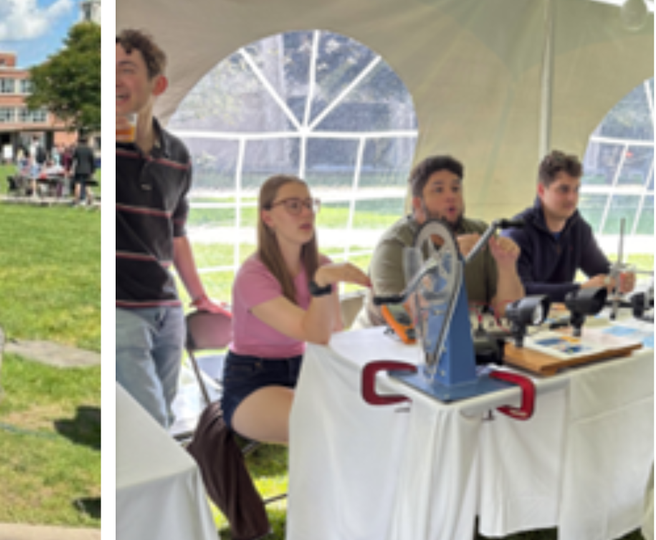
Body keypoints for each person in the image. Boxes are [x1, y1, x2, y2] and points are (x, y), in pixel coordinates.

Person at [116, 29, 225, 428]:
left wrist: (199, 297)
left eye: (126, 69)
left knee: (162, 418)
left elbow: (175, 232)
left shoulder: (177, 155)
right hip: (120, 310)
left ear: (156, 84)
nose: (113, 79)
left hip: (165, 307)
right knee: (150, 423)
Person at [223, 175, 370, 443]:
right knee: (324, 426)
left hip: (308, 367)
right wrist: (322, 283)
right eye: (293, 205)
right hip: (254, 379)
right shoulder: (253, 276)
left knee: (368, 415)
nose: (306, 213)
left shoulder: (322, 265)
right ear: (268, 218)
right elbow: (313, 333)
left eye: (309, 204)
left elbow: (334, 334)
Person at [353, 155, 524, 329]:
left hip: (461, 341)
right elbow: (401, 317)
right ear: (418, 204)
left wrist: (507, 266)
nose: (451, 196)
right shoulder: (394, 245)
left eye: (456, 188)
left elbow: (507, 311)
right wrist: (445, 261)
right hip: (386, 347)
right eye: (439, 190)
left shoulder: (480, 233)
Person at [503, 150, 635, 302]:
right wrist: (578, 290)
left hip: (562, 321)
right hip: (525, 322)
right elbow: (520, 290)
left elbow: (602, 272)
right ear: (541, 190)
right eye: (563, 189)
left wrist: (620, 280)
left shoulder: (578, 229)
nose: (572, 198)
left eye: (576, 189)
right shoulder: (517, 232)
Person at [71, 137, 96, 207]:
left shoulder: (77, 149)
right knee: (87, 186)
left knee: (77, 186)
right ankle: (91, 201)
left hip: (78, 170)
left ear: (79, 142)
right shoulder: (90, 150)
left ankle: (76, 202)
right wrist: (93, 172)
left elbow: (74, 160)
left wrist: (72, 169)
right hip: (87, 170)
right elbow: (93, 161)